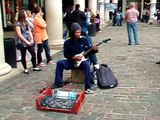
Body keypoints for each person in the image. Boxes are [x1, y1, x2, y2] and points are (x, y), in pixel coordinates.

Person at [51, 22, 98, 94]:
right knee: (60, 63)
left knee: (86, 65)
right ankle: (58, 83)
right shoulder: (67, 42)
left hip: (82, 62)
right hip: (72, 61)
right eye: (77, 32)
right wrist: (73, 58)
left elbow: (89, 52)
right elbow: (66, 55)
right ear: (73, 32)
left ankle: (88, 87)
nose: (79, 34)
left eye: (80, 32)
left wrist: (95, 50)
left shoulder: (84, 39)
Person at [15, 9, 41, 74]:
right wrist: (26, 41)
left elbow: (29, 30)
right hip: (23, 41)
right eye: (25, 14)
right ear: (22, 15)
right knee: (23, 55)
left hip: (29, 40)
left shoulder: (26, 22)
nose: (26, 15)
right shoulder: (18, 24)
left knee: (33, 53)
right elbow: (19, 34)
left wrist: (31, 38)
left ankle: (34, 66)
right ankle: (25, 68)